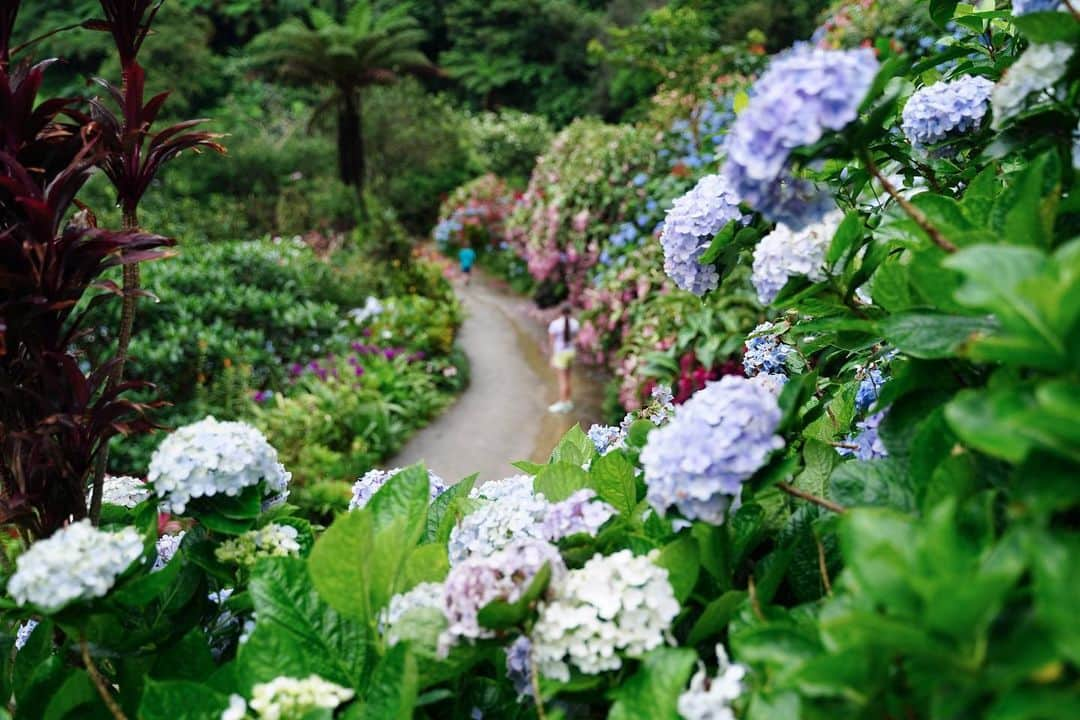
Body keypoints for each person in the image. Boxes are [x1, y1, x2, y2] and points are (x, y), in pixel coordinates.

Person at [547, 304, 579, 414]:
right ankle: (568, 401)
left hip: (560, 354)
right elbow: (576, 338)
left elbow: (552, 342)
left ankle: (562, 403)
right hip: (571, 352)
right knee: (568, 378)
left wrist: (552, 357)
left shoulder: (555, 324)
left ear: (560, 312)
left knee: (562, 381)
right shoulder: (575, 323)